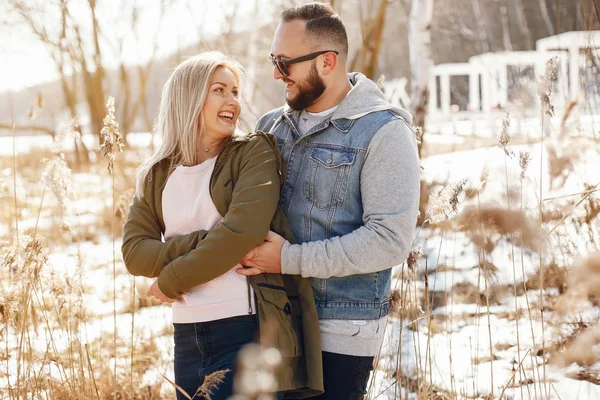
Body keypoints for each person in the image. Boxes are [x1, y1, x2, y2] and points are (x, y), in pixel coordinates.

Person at [237, 3, 420, 399]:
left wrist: (290, 259)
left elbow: (389, 240)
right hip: (270, 319)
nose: (275, 74)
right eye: (273, 61)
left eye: (284, 64)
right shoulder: (269, 125)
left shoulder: (384, 132)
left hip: (339, 329)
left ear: (327, 61)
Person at [121, 52, 323, 400]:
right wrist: (204, 240)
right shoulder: (157, 172)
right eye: (220, 90)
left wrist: (171, 278)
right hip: (186, 331)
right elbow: (134, 254)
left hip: (245, 326)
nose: (233, 101)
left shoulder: (253, 152)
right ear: (189, 97)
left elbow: (242, 234)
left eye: (235, 91)